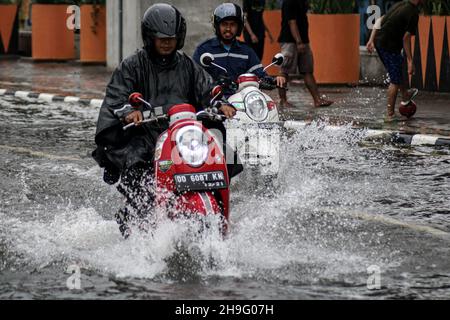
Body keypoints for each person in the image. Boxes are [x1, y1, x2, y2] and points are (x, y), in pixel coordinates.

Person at [92, 3, 238, 238]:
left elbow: (207, 89)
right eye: (161, 38)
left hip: (184, 134)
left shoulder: (187, 64)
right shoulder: (132, 65)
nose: (167, 42)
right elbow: (117, 95)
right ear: (149, 37)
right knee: (139, 176)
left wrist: (220, 103)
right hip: (146, 137)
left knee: (223, 156)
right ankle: (136, 225)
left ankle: (223, 215)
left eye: (171, 37)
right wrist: (129, 111)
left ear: (178, 37)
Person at [193, 3, 285, 97]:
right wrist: (215, 84)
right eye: (224, 24)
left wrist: (273, 80)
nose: (228, 28)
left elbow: (259, 73)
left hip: (241, 101)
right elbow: (194, 78)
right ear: (217, 26)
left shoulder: (246, 51)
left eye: (232, 25)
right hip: (213, 101)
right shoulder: (203, 50)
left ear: (239, 27)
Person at [366, 0, 423, 122]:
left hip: (380, 41)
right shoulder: (413, 13)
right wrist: (410, 60)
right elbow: (406, 38)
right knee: (395, 80)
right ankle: (390, 114)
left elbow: (380, 19)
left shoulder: (400, 4)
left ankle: (405, 94)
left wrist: (371, 39)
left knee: (396, 70)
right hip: (388, 46)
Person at [277, 0, 333, 109]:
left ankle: (317, 100)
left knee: (307, 70)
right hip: (290, 41)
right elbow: (291, 22)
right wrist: (298, 42)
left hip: (303, 41)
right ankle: (283, 100)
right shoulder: (289, 2)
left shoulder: (303, 2)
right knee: (284, 71)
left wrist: (302, 42)